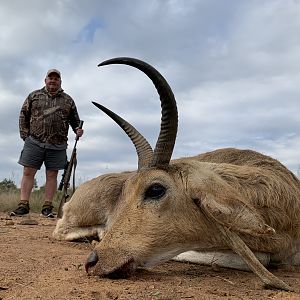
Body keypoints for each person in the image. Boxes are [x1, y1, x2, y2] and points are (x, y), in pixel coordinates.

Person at [11, 69, 84, 218]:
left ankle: (47, 207)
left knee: (52, 174)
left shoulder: (68, 100)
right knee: (28, 172)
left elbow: (75, 121)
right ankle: (23, 205)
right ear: (45, 80)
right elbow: (23, 115)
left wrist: (78, 129)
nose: (53, 81)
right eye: (50, 78)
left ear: (60, 82)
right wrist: (25, 136)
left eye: (56, 79)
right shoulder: (34, 96)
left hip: (57, 145)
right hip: (34, 142)